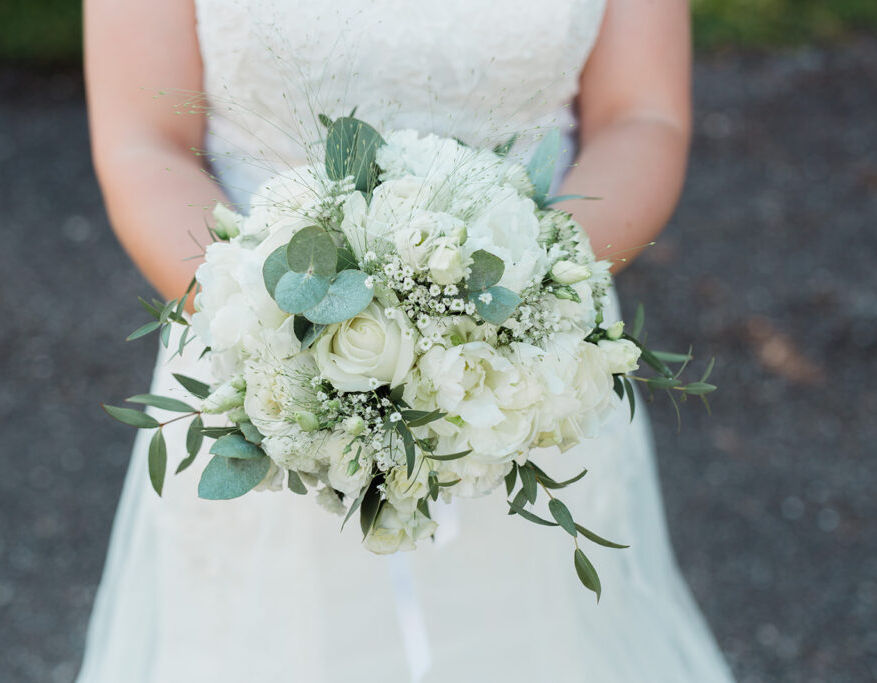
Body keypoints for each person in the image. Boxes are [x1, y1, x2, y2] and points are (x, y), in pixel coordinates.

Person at [79, 1, 734, 680]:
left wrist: (523, 302)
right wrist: (281, 332)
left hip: (525, 380)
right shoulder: (271, 343)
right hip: (267, 375)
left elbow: (642, 116)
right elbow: (146, 139)